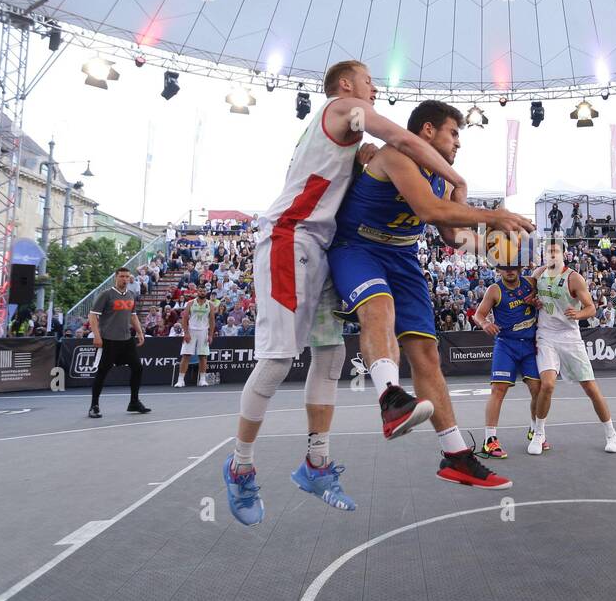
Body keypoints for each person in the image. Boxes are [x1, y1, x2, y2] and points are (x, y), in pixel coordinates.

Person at [224, 62, 475, 524]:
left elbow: (372, 164)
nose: (374, 87)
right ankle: (240, 466)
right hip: (291, 236)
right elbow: (402, 139)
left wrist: (367, 160)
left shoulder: (354, 137)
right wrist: (457, 180)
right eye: (368, 80)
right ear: (345, 85)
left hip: (324, 246)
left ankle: (315, 464)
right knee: (279, 360)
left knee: (331, 358)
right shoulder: (343, 107)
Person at [329, 99, 534, 491]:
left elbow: (451, 235)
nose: (458, 143)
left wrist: (494, 247)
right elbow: (426, 210)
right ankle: (390, 398)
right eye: (453, 133)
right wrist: (491, 215)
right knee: (379, 305)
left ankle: (456, 455)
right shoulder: (396, 154)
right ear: (427, 130)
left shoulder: (443, 180)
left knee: (427, 355)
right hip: (359, 247)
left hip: (403, 255)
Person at [528, 236, 616, 455]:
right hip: (546, 334)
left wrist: (578, 314)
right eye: (547, 251)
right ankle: (538, 433)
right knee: (547, 384)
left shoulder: (574, 278)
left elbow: (590, 308)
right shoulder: (537, 275)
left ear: (563, 255)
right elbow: (528, 299)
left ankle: (611, 433)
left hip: (569, 336)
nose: (550, 255)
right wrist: (533, 301)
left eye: (555, 251)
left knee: (590, 388)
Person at [471, 260, 542, 459]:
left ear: (520, 269)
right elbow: (478, 315)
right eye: (505, 268)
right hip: (506, 345)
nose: (510, 271)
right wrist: (485, 323)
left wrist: (537, 300)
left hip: (529, 344)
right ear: (499, 270)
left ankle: (536, 431)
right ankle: (490, 440)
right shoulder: (495, 290)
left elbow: (549, 270)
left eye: (514, 268)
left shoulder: (531, 283)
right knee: (498, 390)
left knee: (538, 389)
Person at [87, 268, 151, 418]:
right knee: (102, 372)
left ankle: (134, 402)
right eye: (122, 276)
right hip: (109, 340)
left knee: (138, 368)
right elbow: (92, 316)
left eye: (127, 276)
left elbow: (133, 316)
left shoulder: (130, 295)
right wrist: (97, 336)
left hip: (126, 339)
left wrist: (140, 332)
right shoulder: (106, 294)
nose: (125, 279)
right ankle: (94, 406)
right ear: (116, 278)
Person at [175, 289, 215, 388]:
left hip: (203, 331)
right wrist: (186, 333)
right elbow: (184, 319)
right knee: (186, 355)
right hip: (191, 331)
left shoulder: (210, 304)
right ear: (197, 292)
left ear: (206, 293)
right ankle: (180, 380)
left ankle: (202, 380)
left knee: (203, 356)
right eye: (200, 291)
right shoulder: (190, 303)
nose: (202, 293)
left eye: (204, 291)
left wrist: (210, 335)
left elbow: (212, 320)